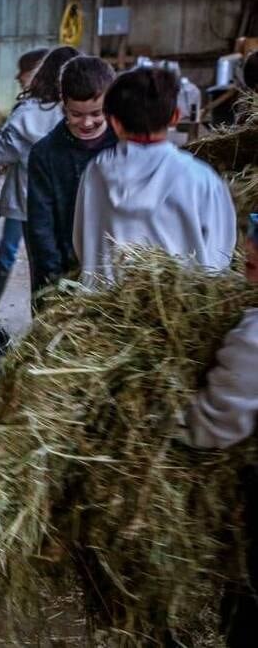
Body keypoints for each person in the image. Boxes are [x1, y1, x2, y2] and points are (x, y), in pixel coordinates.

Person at [74, 66, 237, 287]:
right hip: (182, 313)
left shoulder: (96, 172)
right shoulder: (202, 180)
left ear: (114, 123)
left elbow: (82, 242)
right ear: (175, 117)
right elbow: (220, 256)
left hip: (106, 312)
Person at [180, 214, 258, 648]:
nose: (248, 248)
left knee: (246, 614)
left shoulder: (253, 338)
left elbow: (212, 425)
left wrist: (164, 422)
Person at [0, 45, 79, 312]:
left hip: (26, 198)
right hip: (67, 201)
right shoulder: (78, 113)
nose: (19, 77)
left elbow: (1, 154)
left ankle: (1, 304)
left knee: (25, 258)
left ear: (42, 73)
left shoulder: (27, 113)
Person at [25, 55, 118, 301]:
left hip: (115, 270)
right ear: (62, 103)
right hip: (62, 269)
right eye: (76, 114)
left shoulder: (123, 147)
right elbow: (40, 224)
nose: (87, 122)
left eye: (96, 113)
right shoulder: (44, 153)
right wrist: (55, 279)